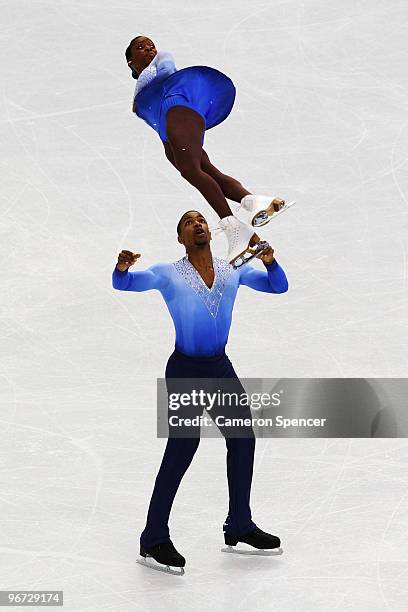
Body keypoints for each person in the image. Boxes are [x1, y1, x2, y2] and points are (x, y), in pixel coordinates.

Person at [112, 210, 288, 574]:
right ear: (180, 238)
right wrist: (122, 268)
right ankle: (153, 537)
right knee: (181, 449)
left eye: (202, 220)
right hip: (185, 371)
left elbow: (278, 286)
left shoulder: (232, 271)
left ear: (210, 230)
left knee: (243, 439)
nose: (198, 224)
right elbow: (124, 286)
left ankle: (239, 524)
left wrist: (271, 263)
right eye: (189, 222)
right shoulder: (167, 273)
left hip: (219, 369)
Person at [125, 35, 293, 267]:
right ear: (130, 61)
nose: (149, 49)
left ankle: (233, 228)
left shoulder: (161, 61)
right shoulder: (142, 82)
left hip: (177, 108)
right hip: (167, 127)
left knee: (191, 170)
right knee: (207, 171)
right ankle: (254, 201)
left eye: (151, 45)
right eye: (140, 48)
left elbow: (166, 69)